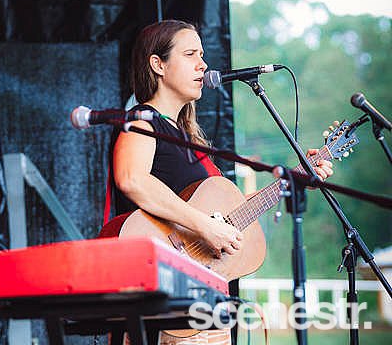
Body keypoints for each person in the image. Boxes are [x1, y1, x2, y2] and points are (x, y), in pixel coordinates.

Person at [101, 20, 334, 345]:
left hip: (203, 302)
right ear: (158, 64)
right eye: (190, 54)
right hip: (163, 300)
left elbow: (227, 217)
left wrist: (294, 180)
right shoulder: (142, 123)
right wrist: (205, 226)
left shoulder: (188, 138)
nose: (203, 64)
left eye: (202, 54)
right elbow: (132, 179)